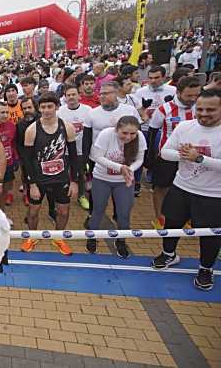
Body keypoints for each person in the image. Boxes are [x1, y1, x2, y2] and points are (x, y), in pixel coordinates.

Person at [151, 88, 221, 291]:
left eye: (211, 110)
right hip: (181, 187)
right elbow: (165, 152)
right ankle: (169, 254)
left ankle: (206, 268)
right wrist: (184, 155)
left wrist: (200, 158)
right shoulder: (185, 126)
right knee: (171, 224)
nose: (204, 114)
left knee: (209, 235)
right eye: (200, 109)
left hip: (213, 194)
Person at [21, 92, 79, 256]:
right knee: (33, 212)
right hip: (39, 178)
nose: (46, 110)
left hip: (61, 177)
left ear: (57, 107)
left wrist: (74, 181)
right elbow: (27, 160)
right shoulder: (32, 130)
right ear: (39, 108)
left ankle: (58, 238)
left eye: (50, 106)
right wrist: (31, 184)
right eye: (43, 107)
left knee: (63, 211)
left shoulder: (66, 127)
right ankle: (32, 237)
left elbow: (74, 156)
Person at [145, 76, 202, 229]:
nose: (193, 99)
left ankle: (189, 218)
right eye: (189, 95)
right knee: (162, 187)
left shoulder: (200, 108)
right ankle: (160, 218)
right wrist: (150, 157)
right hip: (167, 156)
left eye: (196, 95)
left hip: (193, 157)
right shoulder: (164, 109)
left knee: (192, 187)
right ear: (178, 92)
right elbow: (152, 132)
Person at [86, 116, 146, 257]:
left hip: (124, 180)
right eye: (124, 133)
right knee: (98, 211)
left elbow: (140, 158)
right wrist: (121, 167)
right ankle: (92, 237)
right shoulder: (106, 134)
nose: (128, 137)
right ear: (116, 129)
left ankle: (121, 240)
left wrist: (129, 170)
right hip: (102, 178)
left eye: (132, 134)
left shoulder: (140, 137)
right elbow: (97, 157)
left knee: (124, 213)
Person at [58, 85, 92, 210]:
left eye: (73, 94)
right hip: (64, 151)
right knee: (62, 174)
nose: (71, 97)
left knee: (81, 173)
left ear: (79, 96)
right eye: (68, 95)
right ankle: (62, 195)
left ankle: (81, 196)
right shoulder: (60, 111)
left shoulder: (88, 110)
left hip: (82, 150)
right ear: (65, 97)